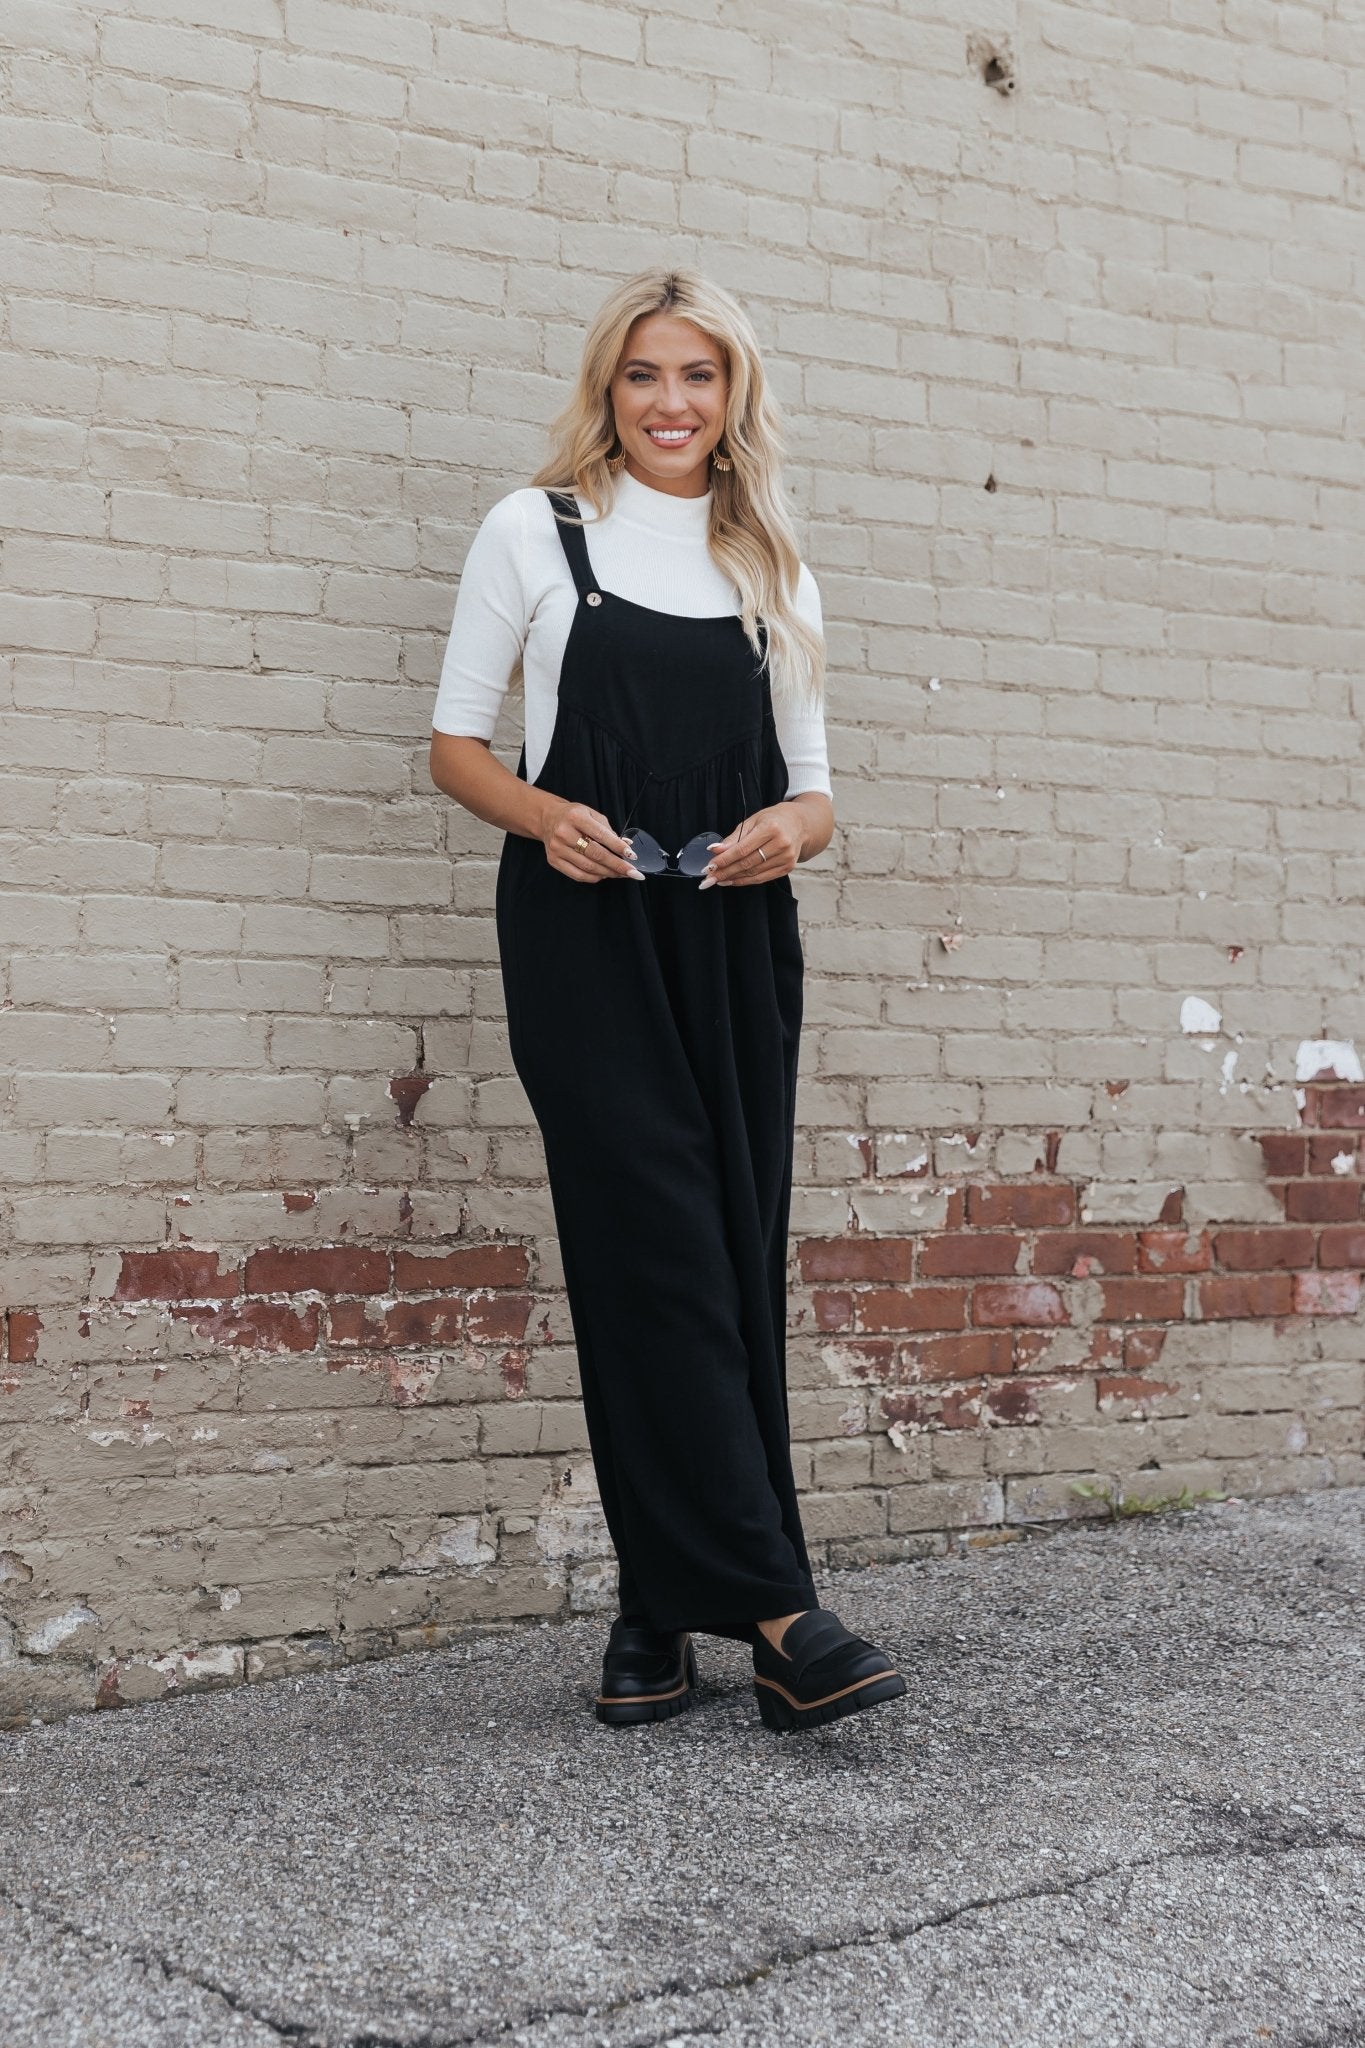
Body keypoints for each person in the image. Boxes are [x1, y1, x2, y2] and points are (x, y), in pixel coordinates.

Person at [429, 267, 906, 1735]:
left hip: (734, 938)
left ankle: (654, 1613)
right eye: (644, 373)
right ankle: (782, 1616)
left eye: (698, 375)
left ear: (733, 394)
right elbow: (454, 746)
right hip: (584, 934)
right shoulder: (536, 530)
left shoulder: (773, 567)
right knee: (657, 1249)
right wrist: (542, 816)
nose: (671, 402)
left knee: (726, 1254)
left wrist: (785, 836)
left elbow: (816, 795)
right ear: (609, 387)